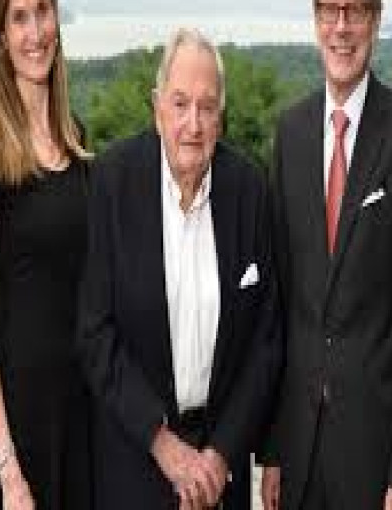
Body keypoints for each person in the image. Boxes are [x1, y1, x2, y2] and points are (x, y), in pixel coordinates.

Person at [260, 0, 392, 510]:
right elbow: (279, 307)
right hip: (298, 459)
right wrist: (272, 448)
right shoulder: (289, 134)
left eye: (355, 10)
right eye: (329, 10)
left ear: (376, 20)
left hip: (376, 461)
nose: (341, 27)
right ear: (315, 20)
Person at [77, 27, 281, 509]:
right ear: (157, 108)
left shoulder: (249, 189)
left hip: (220, 474)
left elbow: (266, 341)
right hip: (134, 465)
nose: (193, 123)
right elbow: (94, 332)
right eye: (180, 103)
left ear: (221, 118)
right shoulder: (112, 182)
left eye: (207, 107)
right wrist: (162, 443)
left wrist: (221, 454)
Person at [0, 0, 92, 510]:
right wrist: (10, 474)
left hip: (80, 429)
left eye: (42, 10)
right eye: (18, 18)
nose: (35, 32)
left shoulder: (77, 139)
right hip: (20, 444)